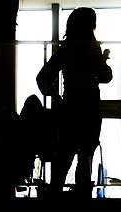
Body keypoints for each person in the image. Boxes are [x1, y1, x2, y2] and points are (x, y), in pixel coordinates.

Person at [37, 7, 112, 198]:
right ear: (91, 25)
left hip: (69, 107)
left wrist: (57, 98)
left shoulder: (66, 48)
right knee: (86, 155)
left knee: (64, 156)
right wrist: (103, 58)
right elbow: (105, 76)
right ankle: (83, 193)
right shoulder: (91, 47)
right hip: (89, 106)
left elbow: (42, 78)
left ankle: (55, 192)